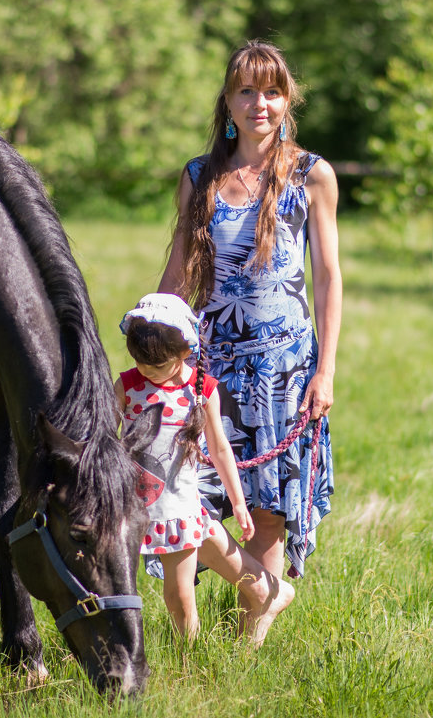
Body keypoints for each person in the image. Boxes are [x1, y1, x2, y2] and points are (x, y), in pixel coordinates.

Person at [158, 39, 341, 595]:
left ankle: (248, 646)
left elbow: (329, 276)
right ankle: (265, 589)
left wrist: (325, 370)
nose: (259, 102)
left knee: (267, 509)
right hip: (210, 368)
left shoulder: (311, 175)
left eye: (272, 91)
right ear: (228, 101)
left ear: (288, 102)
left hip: (284, 370)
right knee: (182, 495)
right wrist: (156, 341)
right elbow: (179, 273)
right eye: (246, 90)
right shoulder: (199, 175)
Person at [117, 293, 293, 644]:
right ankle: (266, 590)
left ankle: (191, 660)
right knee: (209, 538)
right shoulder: (128, 384)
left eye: (158, 367)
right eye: (143, 365)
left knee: (178, 594)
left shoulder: (201, 390)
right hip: (137, 501)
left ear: (185, 351)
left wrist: (239, 503)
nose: (148, 372)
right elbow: (106, 436)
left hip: (176, 505)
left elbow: (220, 448)